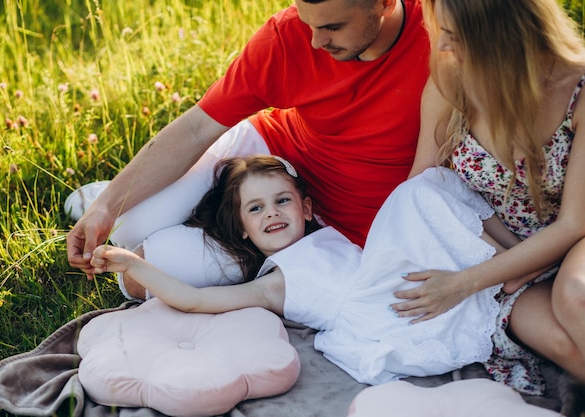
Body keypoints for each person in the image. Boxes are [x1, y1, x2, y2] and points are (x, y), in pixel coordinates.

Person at [66, 0, 431, 299]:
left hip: (322, 227)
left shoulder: (441, 38)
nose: (316, 42)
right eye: (309, 24)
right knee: (126, 226)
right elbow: (196, 128)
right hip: (266, 156)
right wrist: (107, 207)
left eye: (333, 27)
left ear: (383, 3)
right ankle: (109, 195)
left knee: (137, 275)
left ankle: (198, 216)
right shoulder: (289, 35)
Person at [90, 154, 519, 385]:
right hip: (381, 315)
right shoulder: (276, 282)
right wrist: (133, 265)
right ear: (243, 229)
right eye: (256, 209)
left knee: (424, 187)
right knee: (416, 192)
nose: (272, 213)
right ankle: (515, 263)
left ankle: (516, 258)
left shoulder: (328, 234)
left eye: (282, 201)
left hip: (394, 279)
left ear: (306, 208)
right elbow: (198, 299)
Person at [396, 0, 585, 399]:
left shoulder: (578, 90)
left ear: (502, 35)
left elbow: (574, 223)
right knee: (563, 345)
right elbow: (425, 186)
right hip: (500, 256)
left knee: (575, 299)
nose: (444, 46)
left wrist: (463, 284)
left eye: (456, 35)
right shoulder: (452, 80)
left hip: (574, 239)